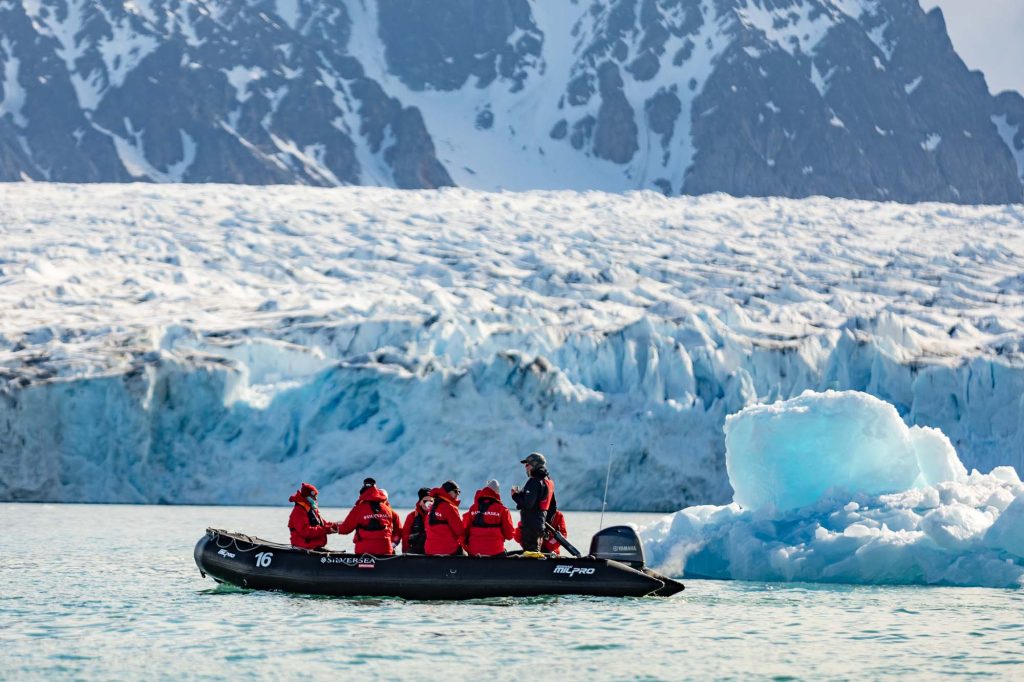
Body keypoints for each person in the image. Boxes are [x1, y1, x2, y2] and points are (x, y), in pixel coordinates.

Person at [337, 478, 403, 555]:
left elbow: (344, 529)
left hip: (363, 551)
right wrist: (393, 544)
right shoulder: (388, 510)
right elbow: (399, 531)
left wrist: (334, 527)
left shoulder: (358, 509)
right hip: (385, 550)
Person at [510, 452, 557, 552]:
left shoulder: (534, 481)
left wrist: (515, 495)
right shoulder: (548, 482)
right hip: (540, 525)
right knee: (535, 553)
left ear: (535, 465)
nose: (525, 467)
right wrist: (546, 525)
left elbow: (528, 505)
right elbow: (553, 508)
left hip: (530, 526)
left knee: (530, 554)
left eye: (527, 464)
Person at [462, 479, 515, 556]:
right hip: (496, 551)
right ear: (497, 493)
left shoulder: (473, 508)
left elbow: (466, 530)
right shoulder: (502, 509)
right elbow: (509, 535)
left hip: (474, 552)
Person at [287, 482, 339, 550]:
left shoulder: (311, 509)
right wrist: (326, 529)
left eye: (316, 496)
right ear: (306, 497)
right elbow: (305, 531)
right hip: (304, 548)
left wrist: (336, 526)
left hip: (313, 547)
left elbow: (323, 524)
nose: (315, 499)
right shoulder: (299, 511)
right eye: (313, 496)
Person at [424, 480, 465, 556]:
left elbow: (427, 527)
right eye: (456, 491)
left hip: (430, 550)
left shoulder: (432, 507)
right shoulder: (449, 507)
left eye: (459, 492)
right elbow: (460, 531)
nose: (458, 494)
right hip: (448, 550)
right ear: (448, 492)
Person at [402, 487, 433, 554]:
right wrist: (405, 553)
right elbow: (405, 536)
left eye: (431, 501)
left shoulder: (437, 516)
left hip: (433, 551)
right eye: (425, 501)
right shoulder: (412, 516)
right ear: (420, 502)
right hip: (416, 551)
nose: (428, 503)